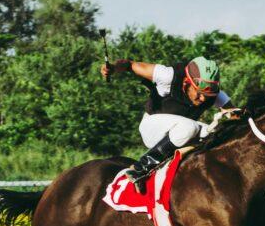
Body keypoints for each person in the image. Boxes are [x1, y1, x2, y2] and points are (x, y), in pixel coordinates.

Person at [101, 55, 240, 192]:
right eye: (199, 93)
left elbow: (235, 116)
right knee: (190, 127)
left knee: (215, 133)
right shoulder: (167, 76)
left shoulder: (214, 94)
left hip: (178, 134)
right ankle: (140, 168)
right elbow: (130, 65)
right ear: (186, 82)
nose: (203, 98)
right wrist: (113, 68)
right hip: (152, 128)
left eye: (207, 95)